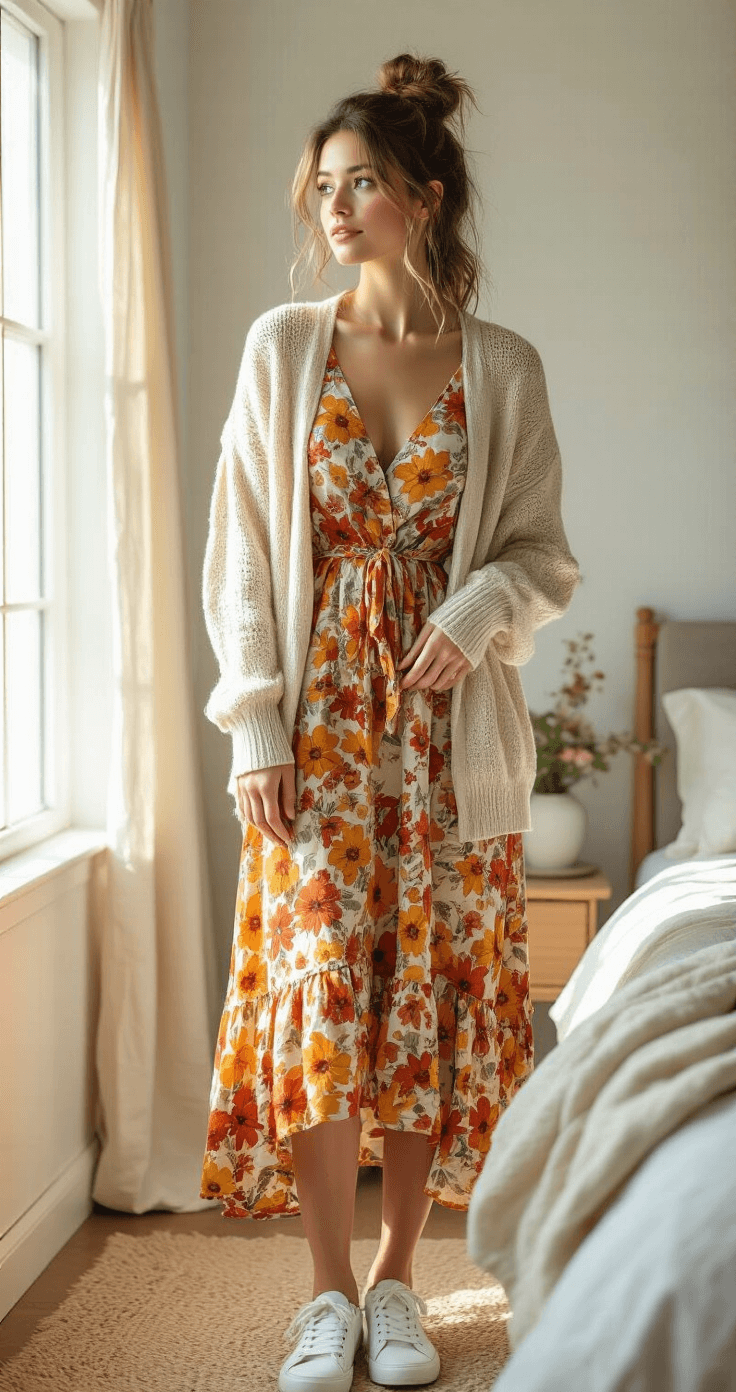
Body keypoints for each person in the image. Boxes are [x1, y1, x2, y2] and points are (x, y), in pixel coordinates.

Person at [199, 51, 581, 1392]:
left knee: (415, 1014)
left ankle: (404, 1285)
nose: (335, 209)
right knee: (317, 1011)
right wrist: (255, 726)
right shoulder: (283, 347)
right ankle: (322, 1294)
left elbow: (544, 555)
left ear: (425, 197)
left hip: (444, 746)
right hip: (313, 742)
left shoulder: (506, 368)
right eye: (322, 189)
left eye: (361, 185)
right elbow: (244, 552)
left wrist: (477, 608)